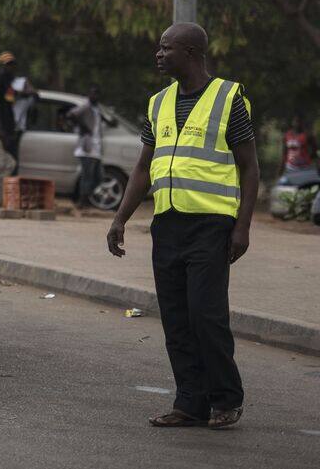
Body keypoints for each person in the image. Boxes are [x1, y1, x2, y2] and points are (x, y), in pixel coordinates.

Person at [107, 22, 258, 430]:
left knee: (206, 316)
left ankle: (226, 398)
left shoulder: (228, 98)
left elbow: (249, 167)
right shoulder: (158, 102)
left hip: (212, 225)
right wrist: (120, 218)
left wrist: (242, 226)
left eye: (166, 48)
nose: (159, 55)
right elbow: (143, 167)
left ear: (190, 52)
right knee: (176, 319)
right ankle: (190, 403)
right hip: (168, 225)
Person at [68, 85, 104, 209]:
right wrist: (83, 126)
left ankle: (84, 197)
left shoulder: (97, 109)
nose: (94, 96)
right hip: (86, 147)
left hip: (96, 148)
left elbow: (100, 121)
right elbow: (71, 115)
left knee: (99, 177)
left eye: (96, 94)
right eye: (92, 93)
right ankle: (82, 201)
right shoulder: (85, 107)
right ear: (89, 95)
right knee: (87, 176)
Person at [0, 51, 20, 173]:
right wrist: (0, 129)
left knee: (11, 163)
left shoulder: (10, 84)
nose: (11, 67)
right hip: (1, 130)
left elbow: (10, 100)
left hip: (9, 128)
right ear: (2, 66)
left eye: (12, 64)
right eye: (8, 65)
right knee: (0, 164)